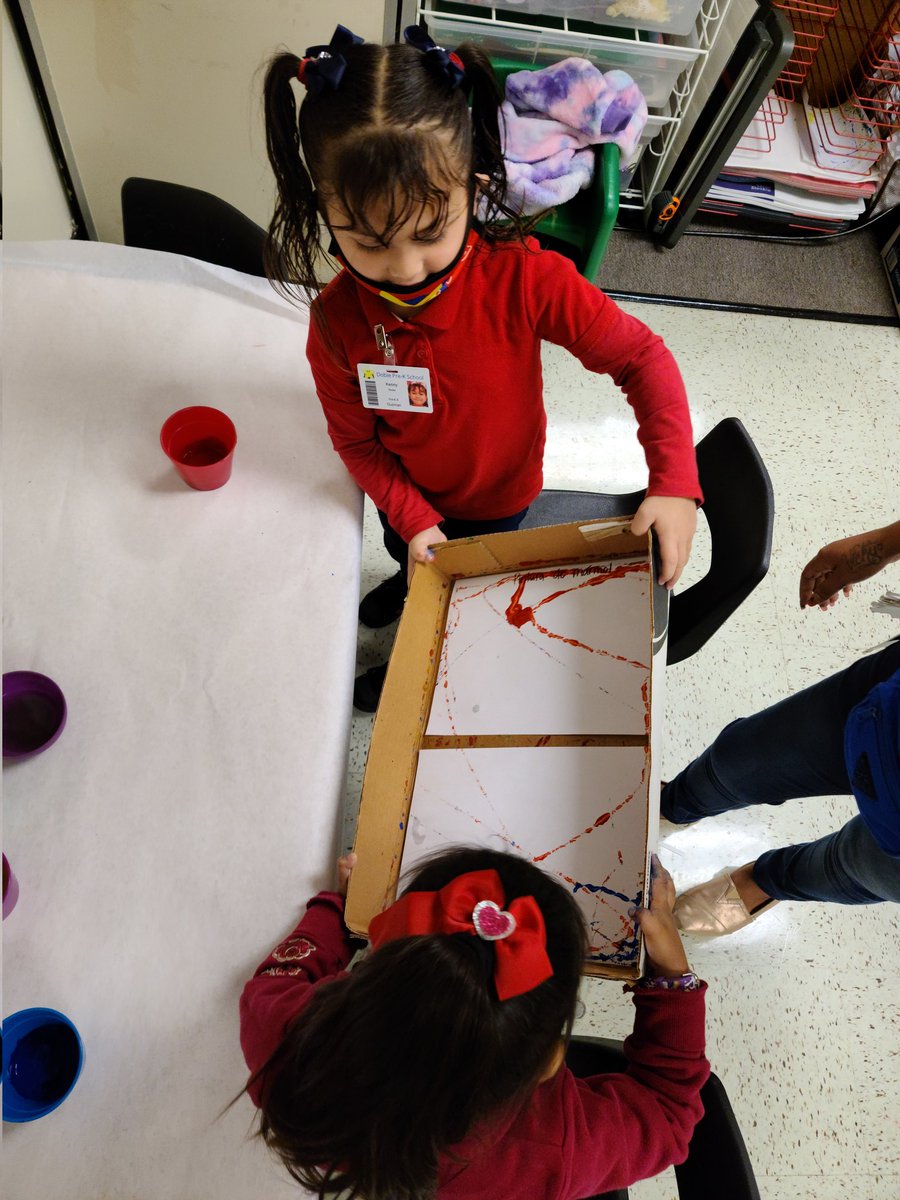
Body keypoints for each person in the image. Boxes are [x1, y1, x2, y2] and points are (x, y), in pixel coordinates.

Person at [262, 25, 702, 711]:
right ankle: (404, 582)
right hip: (408, 497)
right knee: (411, 561)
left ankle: (411, 652)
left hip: (501, 501)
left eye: (429, 232)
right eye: (367, 241)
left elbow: (642, 357)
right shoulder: (337, 322)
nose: (405, 269)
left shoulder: (525, 278)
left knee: (457, 604)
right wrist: (412, 519)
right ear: (325, 212)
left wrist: (674, 481)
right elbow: (356, 441)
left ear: (474, 185)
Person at [240, 846, 709, 1200]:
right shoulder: (554, 1149)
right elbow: (669, 1112)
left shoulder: (297, 1051)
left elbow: (273, 983)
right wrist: (673, 978)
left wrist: (336, 909)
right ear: (550, 1060)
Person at [664, 520, 900, 936]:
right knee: (742, 760)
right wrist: (881, 545)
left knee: (849, 866)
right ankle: (676, 804)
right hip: (889, 706)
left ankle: (768, 881)